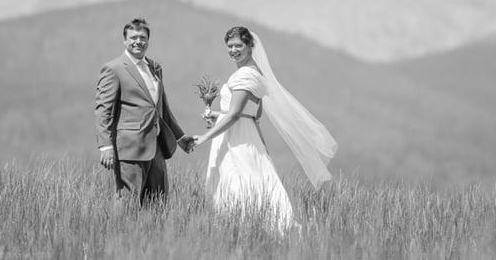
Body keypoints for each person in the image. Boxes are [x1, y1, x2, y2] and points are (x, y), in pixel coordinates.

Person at [192, 27, 338, 230]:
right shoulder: (256, 74)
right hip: (247, 134)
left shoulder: (243, 75)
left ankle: (245, 231)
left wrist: (203, 138)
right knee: (253, 181)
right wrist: (217, 116)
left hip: (236, 140)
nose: (233, 50)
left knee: (237, 186)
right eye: (230, 46)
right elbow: (253, 114)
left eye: (238, 45)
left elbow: (234, 115)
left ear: (250, 46)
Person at [95, 17, 195, 204]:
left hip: (156, 145)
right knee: (128, 203)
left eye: (142, 37)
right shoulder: (113, 69)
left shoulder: (155, 68)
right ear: (125, 40)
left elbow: (162, 108)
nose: (138, 41)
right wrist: (105, 146)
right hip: (129, 148)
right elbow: (103, 110)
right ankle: (122, 234)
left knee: (158, 202)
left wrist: (180, 138)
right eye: (133, 37)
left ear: (148, 41)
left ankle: (154, 234)